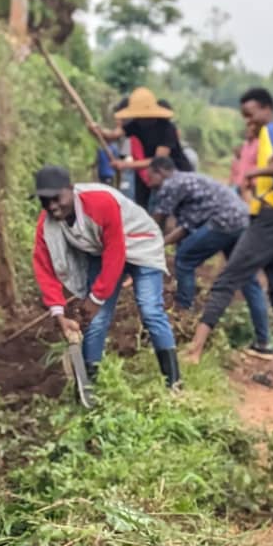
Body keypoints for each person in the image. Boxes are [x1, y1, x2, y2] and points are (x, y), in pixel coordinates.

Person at [186, 87, 273, 390]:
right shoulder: (266, 136)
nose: (247, 119)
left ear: (266, 109)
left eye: (250, 113)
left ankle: (194, 351)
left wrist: (253, 172)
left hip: (272, 216)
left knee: (228, 278)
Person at [31, 165, 180, 387]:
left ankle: (174, 384)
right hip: (101, 250)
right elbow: (44, 266)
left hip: (140, 242)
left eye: (56, 198)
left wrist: (97, 298)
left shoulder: (99, 202)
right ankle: (89, 386)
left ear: (71, 189)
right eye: (45, 201)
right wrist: (58, 313)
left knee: (150, 309)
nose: (52, 206)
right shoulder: (47, 223)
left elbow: (116, 252)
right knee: (96, 319)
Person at [147, 156, 273, 357]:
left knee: (184, 259)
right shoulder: (188, 179)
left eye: (149, 175)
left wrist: (150, 242)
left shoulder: (172, 184)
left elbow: (158, 219)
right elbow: (188, 225)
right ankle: (264, 341)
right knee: (247, 279)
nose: (147, 180)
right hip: (242, 219)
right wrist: (163, 242)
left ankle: (183, 315)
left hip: (224, 222)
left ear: (160, 171)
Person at [91, 88, 192, 210]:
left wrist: (125, 165)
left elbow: (158, 160)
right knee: (141, 206)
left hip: (172, 172)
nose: (141, 120)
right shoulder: (136, 124)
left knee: (169, 210)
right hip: (149, 172)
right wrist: (97, 131)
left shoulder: (167, 128)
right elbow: (112, 136)